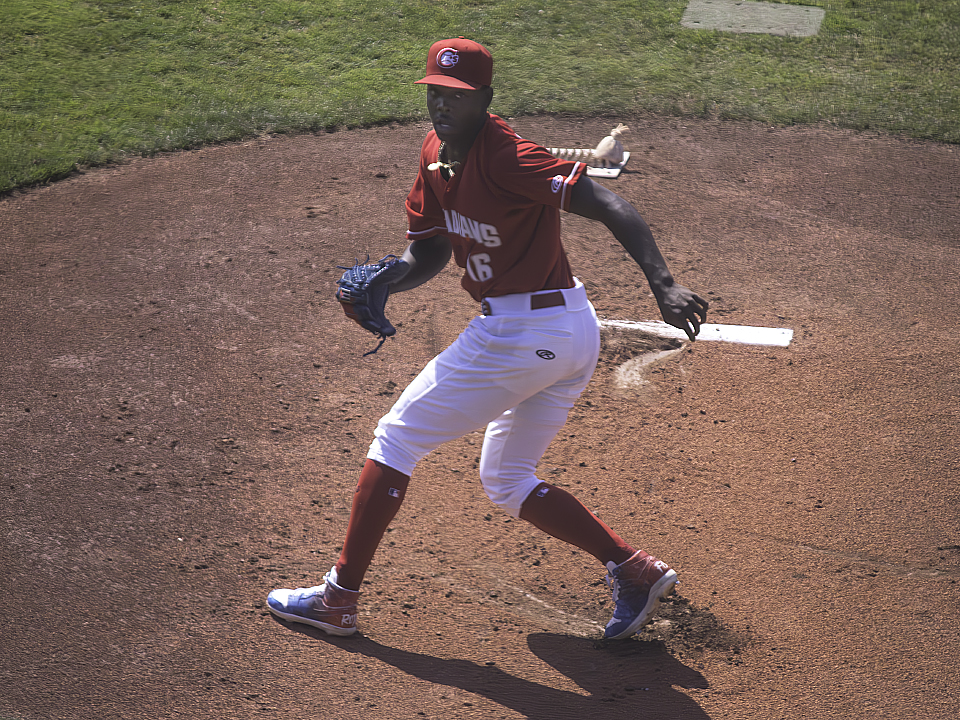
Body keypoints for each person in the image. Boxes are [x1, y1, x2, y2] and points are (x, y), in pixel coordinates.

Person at [267, 38, 708, 640]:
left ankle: (337, 600)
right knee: (507, 477)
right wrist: (388, 281)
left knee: (396, 438)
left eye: (458, 95)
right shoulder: (435, 153)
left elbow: (608, 201)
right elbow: (428, 250)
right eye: (436, 93)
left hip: (524, 333)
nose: (443, 105)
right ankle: (633, 570)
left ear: (486, 99)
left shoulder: (509, 156)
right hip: (564, 332)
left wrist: (665, 283)